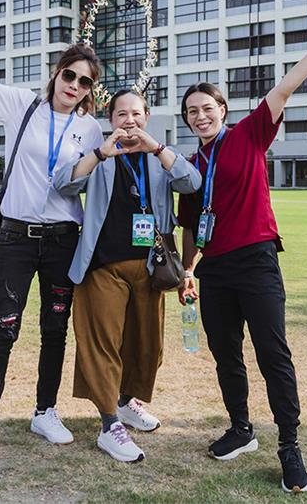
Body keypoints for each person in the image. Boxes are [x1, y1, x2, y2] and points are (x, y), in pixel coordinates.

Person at [177, 12, 307, 494]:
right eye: (192, 111)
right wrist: (188, 270)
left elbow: (283, 90)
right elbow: (190, 224)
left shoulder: (249, 134)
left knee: (273, 354)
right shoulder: (190, 167)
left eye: (207, 107)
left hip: (256, 259)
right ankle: (241, 428)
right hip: (215, 269)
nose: (200, 115)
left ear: (222, 109)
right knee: (225, 353)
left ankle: (289, 446)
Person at [0, 0, 104, 454]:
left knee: (55, 329)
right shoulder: (21, 105)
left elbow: (95, 183)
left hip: (62, 240)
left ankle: (44, 412)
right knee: (5, 326)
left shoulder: (90, 130)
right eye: (69, 75)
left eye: (84, 82)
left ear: (90, 91)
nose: (74, 85)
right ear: (57, 74)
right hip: (15, 237)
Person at [53, 88, 201, 463]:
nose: (129, 121)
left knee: (145, 346)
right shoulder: (101, 156)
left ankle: (124, 403)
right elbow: (63, 183)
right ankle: (108, 425)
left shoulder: (159, 157)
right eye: (121, 115)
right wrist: (101, 152)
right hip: (102, 266)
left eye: (136, 114)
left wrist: (156, 149)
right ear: (111, 120)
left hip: (151, 268)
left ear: (147, 117)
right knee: (102, 342)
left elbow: (192, 183)